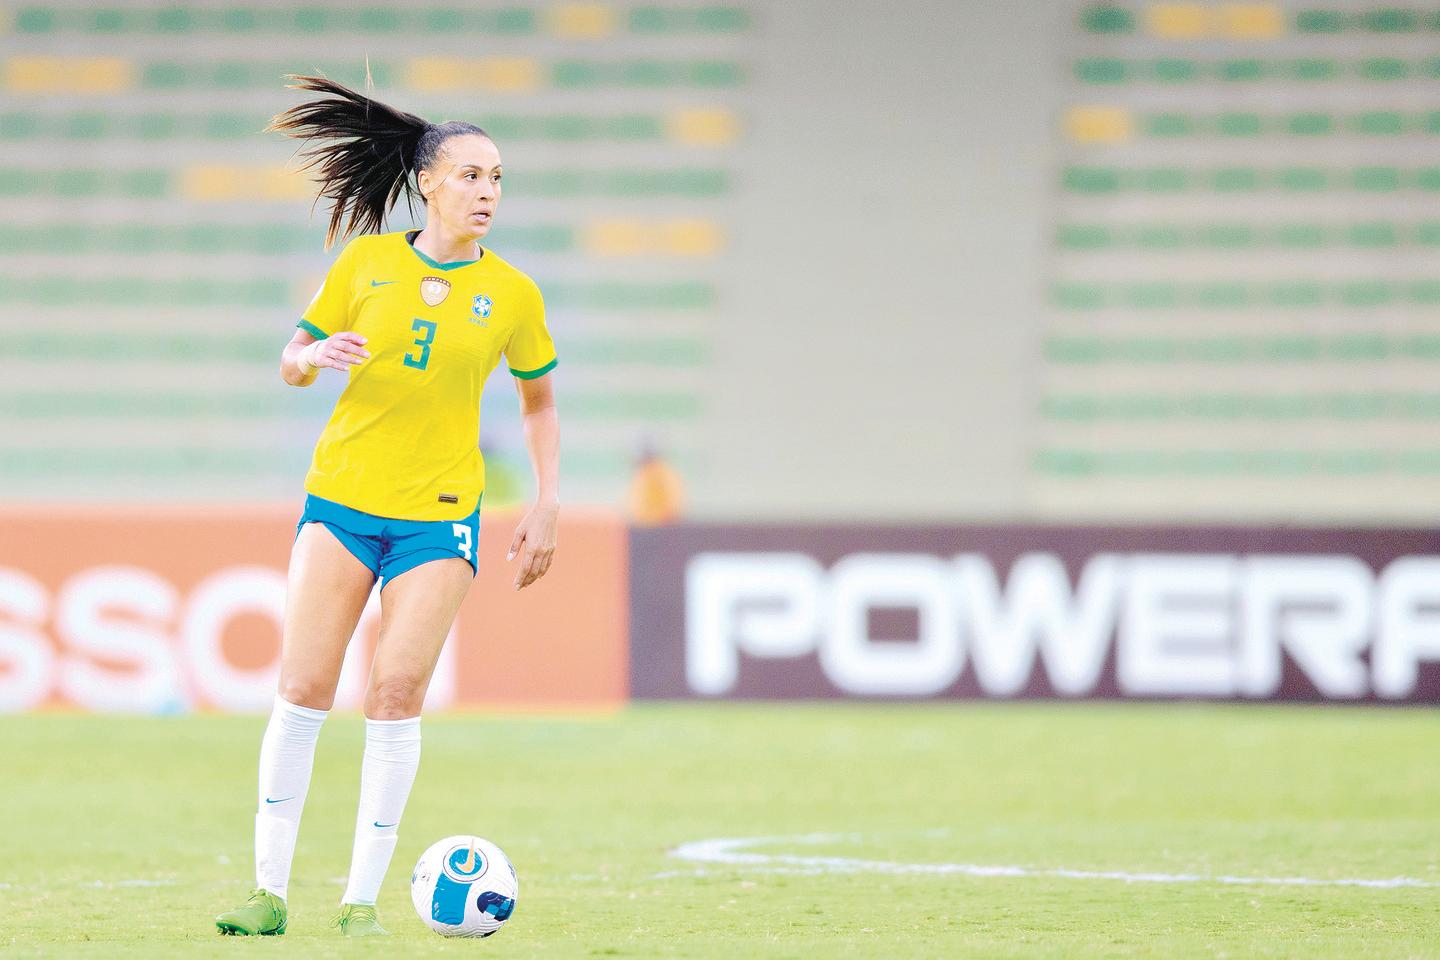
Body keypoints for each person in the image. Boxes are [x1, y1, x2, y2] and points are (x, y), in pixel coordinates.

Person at [215, 75, 560, 938]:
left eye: (498, 178)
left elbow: (539, 403)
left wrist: (549, 502)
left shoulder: (513, 294)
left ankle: (360, 902)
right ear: (429, 182)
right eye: (473, 176)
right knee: (303, 687)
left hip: (440, 514)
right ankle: (267, 893)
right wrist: (313, 354)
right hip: (341, 499)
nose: (489, 193)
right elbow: (290, 359)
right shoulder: (366, 262)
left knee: (396, 692)